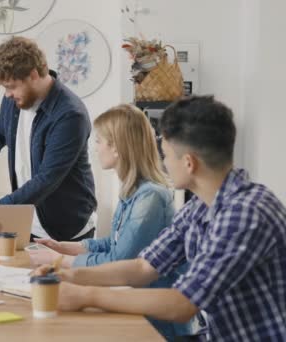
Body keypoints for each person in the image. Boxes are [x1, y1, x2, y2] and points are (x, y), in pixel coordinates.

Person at [33, 96, 286, 341]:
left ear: (189, 163)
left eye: (165, 154)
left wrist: (86, 296)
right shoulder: (198, 207)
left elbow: (182, 303)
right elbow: (143, 267)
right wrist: (69, 276)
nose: (163, 162)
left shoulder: (245, 214)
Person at [28, 104, 193, 340]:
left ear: (116, 148)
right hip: (133, 306)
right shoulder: (133, 191)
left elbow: (122, 260)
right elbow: (117, 243)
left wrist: (60, 261)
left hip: (155, 324)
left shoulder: (151, 197)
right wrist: (71, 247)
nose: (95, 148)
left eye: (98, 141)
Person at [0, 36, 97, 241]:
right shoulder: (16, 99)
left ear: (33, 75)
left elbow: (47, 178)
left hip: (67, 227)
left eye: (11, 86)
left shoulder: (69, 115)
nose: (7, 94)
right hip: (29, 219)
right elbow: (0, 132)